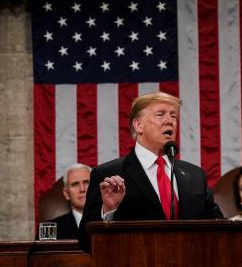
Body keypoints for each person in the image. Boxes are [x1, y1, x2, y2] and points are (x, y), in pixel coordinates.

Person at [78, 92, 223, 251]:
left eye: (173, 116)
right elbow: (86, 242)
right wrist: (109, 211)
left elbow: (217, 222)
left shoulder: (195, 175)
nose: (170, 121)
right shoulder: (108, 174)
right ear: (138, 125)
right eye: (161, 115)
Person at [47, 163, 91, 239]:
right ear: (66, 193)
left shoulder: (110, 222)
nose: (82, 189)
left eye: (86, 182)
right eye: (75, 184)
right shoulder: (50, 230)